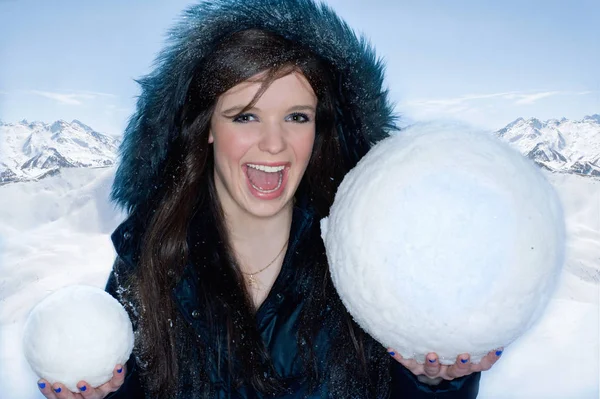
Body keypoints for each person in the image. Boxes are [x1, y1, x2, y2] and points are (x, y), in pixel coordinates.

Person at [37, 1, 501, 398]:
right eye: (245, 116)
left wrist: (432, 385)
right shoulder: (145, 264)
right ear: (207, 131)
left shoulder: (371, 261)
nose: (275, 144)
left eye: (297, 116)